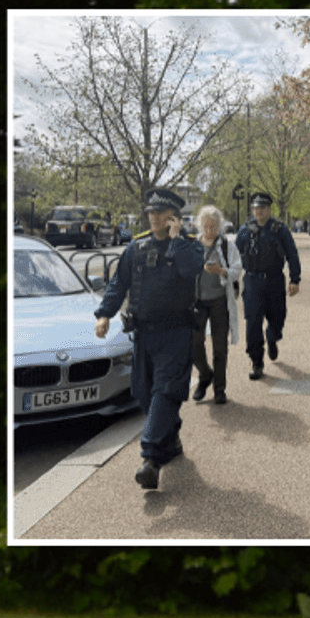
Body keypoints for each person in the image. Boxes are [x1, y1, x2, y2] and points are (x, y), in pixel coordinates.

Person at [94, 187, 206, 489]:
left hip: (176, 334)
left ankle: (151, 460)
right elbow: (119, 284)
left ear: (173, 218)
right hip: (144, 335)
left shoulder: (189, 247)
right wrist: (104, 313)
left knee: (165, 392)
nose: (153, 217)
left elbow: (192, 269)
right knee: (144, 394)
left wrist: (175, 240)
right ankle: (171, 436)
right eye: (151, 212)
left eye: (160, 213)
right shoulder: (136, 249)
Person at [235, 191, 301, 379]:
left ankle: (272, 338)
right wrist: (231, 279)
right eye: (256, 208)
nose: (259, 212)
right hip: (252, 281)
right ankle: (257, 362)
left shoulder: (280, 229)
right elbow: (233, 257)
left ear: (269, 209)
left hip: (274, 281)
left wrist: (295, 279)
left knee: (278, 318)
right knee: (253, 322)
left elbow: (292, 254)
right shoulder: (244, 230)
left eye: (262, 208)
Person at [189, 204, 243, 404]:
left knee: (220, 347)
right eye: (206, 226)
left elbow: (238, 268)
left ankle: (219, 389)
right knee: (194, 343)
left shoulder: (228, 245)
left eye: (213, 226)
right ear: (199, 226)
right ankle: (205, 374)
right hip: (197, 301)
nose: (210, 230)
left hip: (220, 301)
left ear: (219, 226)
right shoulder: (192, 244)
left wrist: (222, 271)